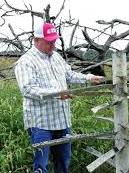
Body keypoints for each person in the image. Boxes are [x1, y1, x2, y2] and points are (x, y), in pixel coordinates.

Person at [14, 22, 103, 173]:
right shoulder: (26, 62)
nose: (53, 45)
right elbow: (28, 89)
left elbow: (69, 75)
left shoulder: (55, 56)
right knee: (41, 166)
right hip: (41, 123)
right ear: (36, 40)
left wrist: (89, 78)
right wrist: (57, 94)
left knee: (63, 164)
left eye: (54, 41)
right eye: (49, 42)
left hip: (62, 121)